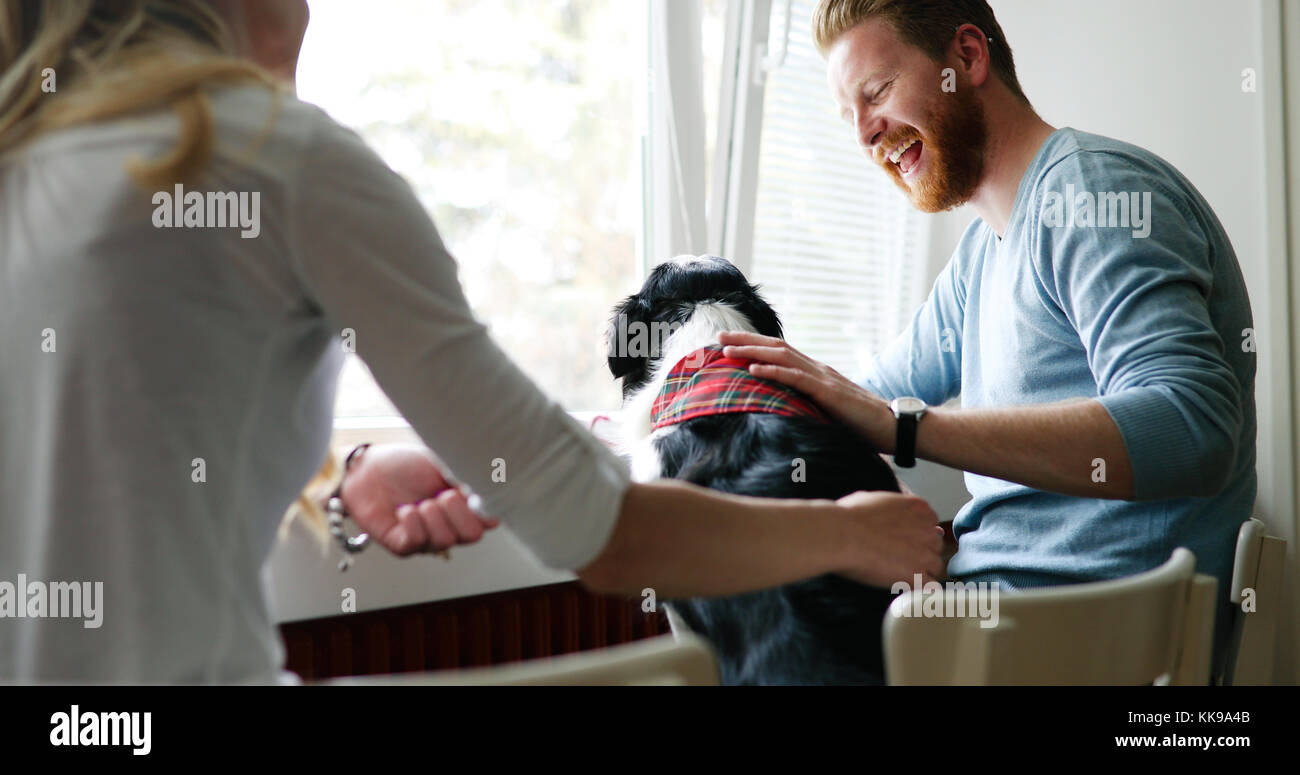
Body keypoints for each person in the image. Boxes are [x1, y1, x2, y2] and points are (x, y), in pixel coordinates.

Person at [0, 0, 941, 683]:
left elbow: (119, 437)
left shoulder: (35, 159)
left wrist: (339, 475)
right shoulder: (278, 158)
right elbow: (604, 533)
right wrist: (854, 530)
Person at [720, 0, 1255, 676]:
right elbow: (856, 399)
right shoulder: (983, 258)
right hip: (993, 632)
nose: (863, 133)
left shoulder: (1093, 195)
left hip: (1076, 649)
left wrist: (906, 428)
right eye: (845, 114)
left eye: (876, 91)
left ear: (967, 58)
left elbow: (1193, 427)